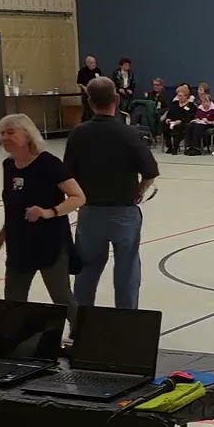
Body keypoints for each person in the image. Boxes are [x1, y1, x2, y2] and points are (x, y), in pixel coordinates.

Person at [0, 114, 85, 330]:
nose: (5, 138)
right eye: (1, 133)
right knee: (13, 298)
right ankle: (15, 341)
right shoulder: (8, 166)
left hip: (50, 242)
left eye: (11, 133)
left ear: (27, 135)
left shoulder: (48, 163)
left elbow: (78, 197)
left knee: (61, 297)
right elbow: (12, 211)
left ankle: (85, 336)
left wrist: (49, 212)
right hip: (20, 244)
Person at [65, 77, 159, 310]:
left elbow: (66, 175)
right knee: (127, 272)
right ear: (116, 99)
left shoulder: (78, 135)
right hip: (123, 212)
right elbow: (150, 172)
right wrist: (138, 192)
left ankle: (80, 324)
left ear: (89, 101)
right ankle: (124, 324)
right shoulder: (128, 133)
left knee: (86, 273)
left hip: (90, 212)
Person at [183, 82, 214, 155]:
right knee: (189, 125)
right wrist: (197, 120)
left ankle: (197, 148)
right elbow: (197, 116)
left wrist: (209, 121)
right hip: (201, 123)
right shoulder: (200, 108)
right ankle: (189, 146)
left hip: (210, 124)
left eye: (206, 101)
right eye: (203, 102)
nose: (204, 103)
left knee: (198, 127)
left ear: (210, 101)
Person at [163, 84, 196, 155]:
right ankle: (169, 147)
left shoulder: (191, 106)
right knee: (165, 126)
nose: (179, 97)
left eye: (181, 96)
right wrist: (168, 118)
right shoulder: (174, 104)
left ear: (186, 96)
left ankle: (175, 147)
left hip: (183, 123)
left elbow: (190, 117)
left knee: (179, 127)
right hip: (172, 121)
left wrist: (180, 121)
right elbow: (170, 113)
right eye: (178, 96)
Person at [76, 55, 101, 120]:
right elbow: (79, 83)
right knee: (87, 110)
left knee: (95, 110)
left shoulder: (97, 70)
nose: (94, 64)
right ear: (87, 63)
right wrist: (84, 88)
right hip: (86, 94)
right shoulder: (82, 71)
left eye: (95, 62)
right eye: (92, 63)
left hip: (96, 93)